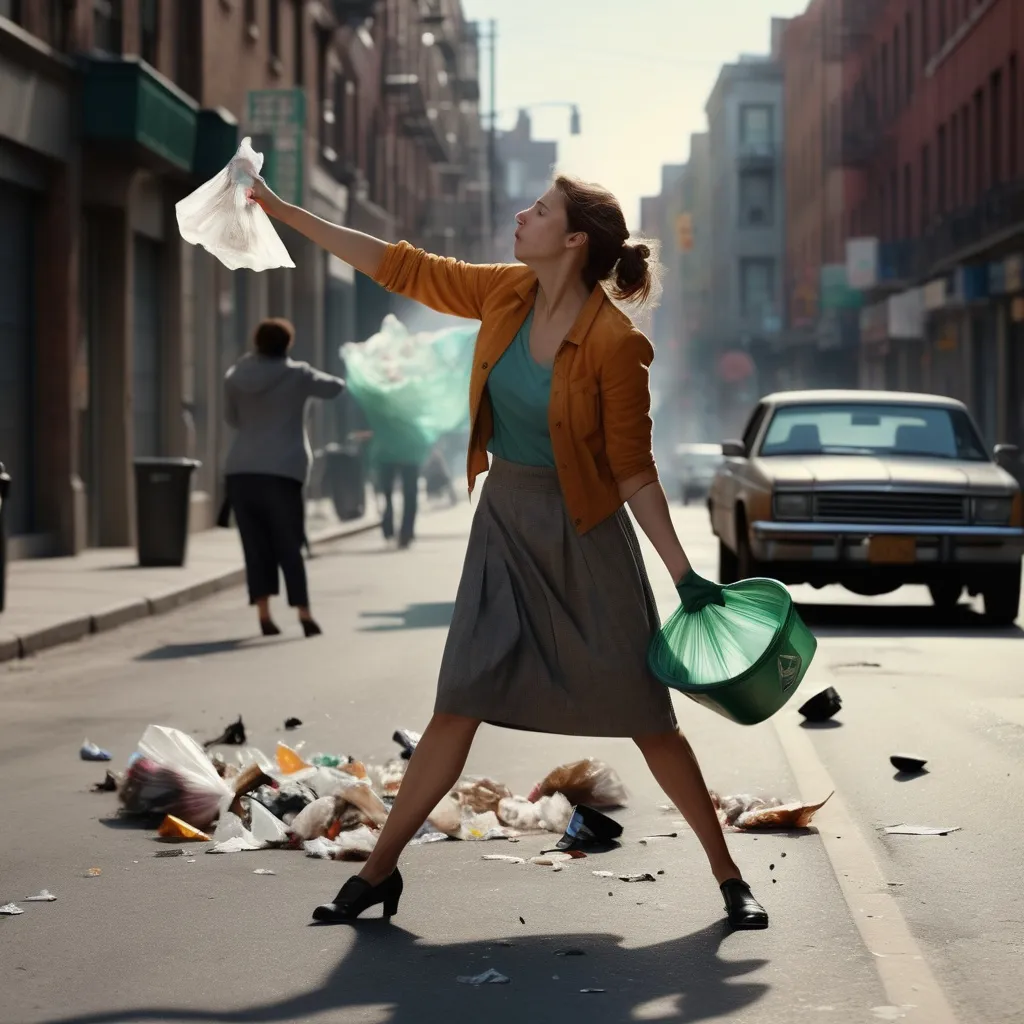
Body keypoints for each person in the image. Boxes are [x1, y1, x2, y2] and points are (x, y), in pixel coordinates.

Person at [247, 174, 769, 931]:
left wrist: (683, 575)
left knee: (647, 716)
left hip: (587, 535)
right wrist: (282, 209)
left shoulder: (619, 345)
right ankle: (376, 872)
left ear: (574, 240)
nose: (522, 216)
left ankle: (728, 876)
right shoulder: (503, 293)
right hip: (506, 525)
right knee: (458, 701)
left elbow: (632, 469)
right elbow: (395, 264)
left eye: (540, 210)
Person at [223, 317, 345, 637]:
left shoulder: (235, 376)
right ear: (287, 344)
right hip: (283, 471)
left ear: (257, 343)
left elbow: (231, 419)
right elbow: (336, 388)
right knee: (288, 543)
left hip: (241, 471)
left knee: (255, 545)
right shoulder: (298, 375)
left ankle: (264, 614)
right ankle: (304, 613)